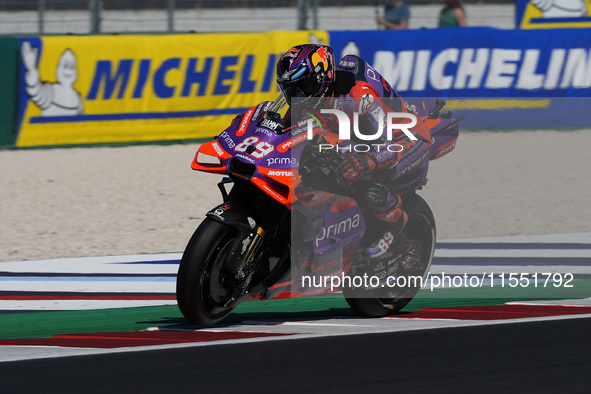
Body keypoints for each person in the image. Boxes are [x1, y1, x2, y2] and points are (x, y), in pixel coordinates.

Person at [276, 44, 431, 261]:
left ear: (325, 77)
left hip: (406, 138)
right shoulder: (311, 98)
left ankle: (393, 220)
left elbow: (385, 142)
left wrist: (364, 160)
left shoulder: (359, 95)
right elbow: (284, 130)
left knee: (357, 170)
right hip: (359, 135)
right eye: (291, 89)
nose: (299, 95)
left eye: (304, 86)